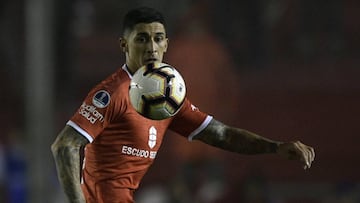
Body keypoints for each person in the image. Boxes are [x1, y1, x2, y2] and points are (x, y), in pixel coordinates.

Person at [51, 6, 315, 203]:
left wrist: (276, 147)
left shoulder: (167, 98)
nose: (151, 47)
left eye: (158, 38)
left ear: (166, 44)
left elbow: (220, 134)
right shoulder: (113, 93)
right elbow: (65, 145)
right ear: (124, 44)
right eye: (142, 38)